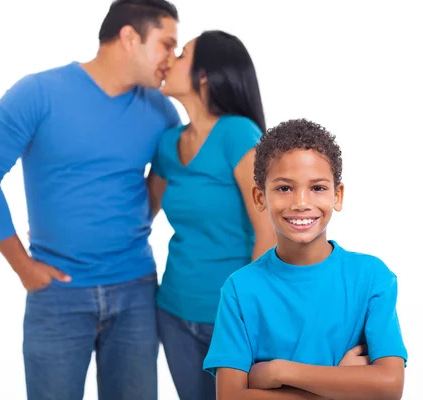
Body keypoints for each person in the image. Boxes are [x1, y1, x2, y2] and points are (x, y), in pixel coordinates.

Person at [0, 1, 181, 399]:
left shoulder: (162, 111)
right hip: (58, 295)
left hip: (136, 291)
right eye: (166, 45)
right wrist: (22, 266)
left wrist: (127, 225)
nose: (172, 58)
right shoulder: (37, 93)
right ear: (130, 37)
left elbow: (162, 180)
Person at [202, 119, 408, 400]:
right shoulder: (240, 288)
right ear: (260, 197)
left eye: (318, 188)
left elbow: (389, 385)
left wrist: (278, 372)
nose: (301, 202)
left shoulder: (372, 277)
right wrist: (344, 387)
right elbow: (229, 396)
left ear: (338, 195)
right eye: (284, 188)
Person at [146, 30, 277, 399]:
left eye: (182, 53)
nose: (170, 60)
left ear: (203, 75)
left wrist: (243, 314)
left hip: (231, 318)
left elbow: (267, 232)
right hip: (173, 311)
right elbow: (140, 213)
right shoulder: (167, 142)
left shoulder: (238, 134)